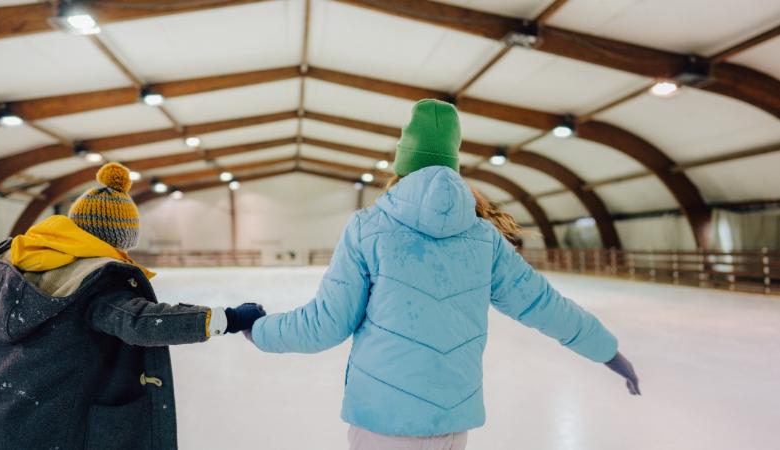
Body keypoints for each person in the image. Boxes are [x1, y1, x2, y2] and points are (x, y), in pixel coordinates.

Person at [249, 99, 640, 450]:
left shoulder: (369, 228)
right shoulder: (482, 237)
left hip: (384, 424)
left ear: (403, 160)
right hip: (451, 428)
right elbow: (543, 304)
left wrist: (258, 328)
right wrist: (606, 349)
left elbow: (324, 324)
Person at [0, 162, 265, 450]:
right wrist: (228, 318)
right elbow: (140, 320)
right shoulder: (97, 281)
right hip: (52, 435)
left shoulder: (15, 269)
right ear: (118, 239)